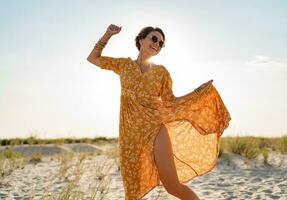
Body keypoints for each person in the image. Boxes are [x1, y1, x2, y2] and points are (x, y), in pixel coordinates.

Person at [87, 24, 231, 200]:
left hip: (155, 128)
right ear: (141, 40)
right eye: (154, 38)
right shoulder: (123, 65)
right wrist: (108, 34)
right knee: (131, 192)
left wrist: (196, 92)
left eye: (161, 43)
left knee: (173, 186)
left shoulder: (161, 72)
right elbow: (92, 58)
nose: (157, 43)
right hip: (130, 136)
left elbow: (171, 102)